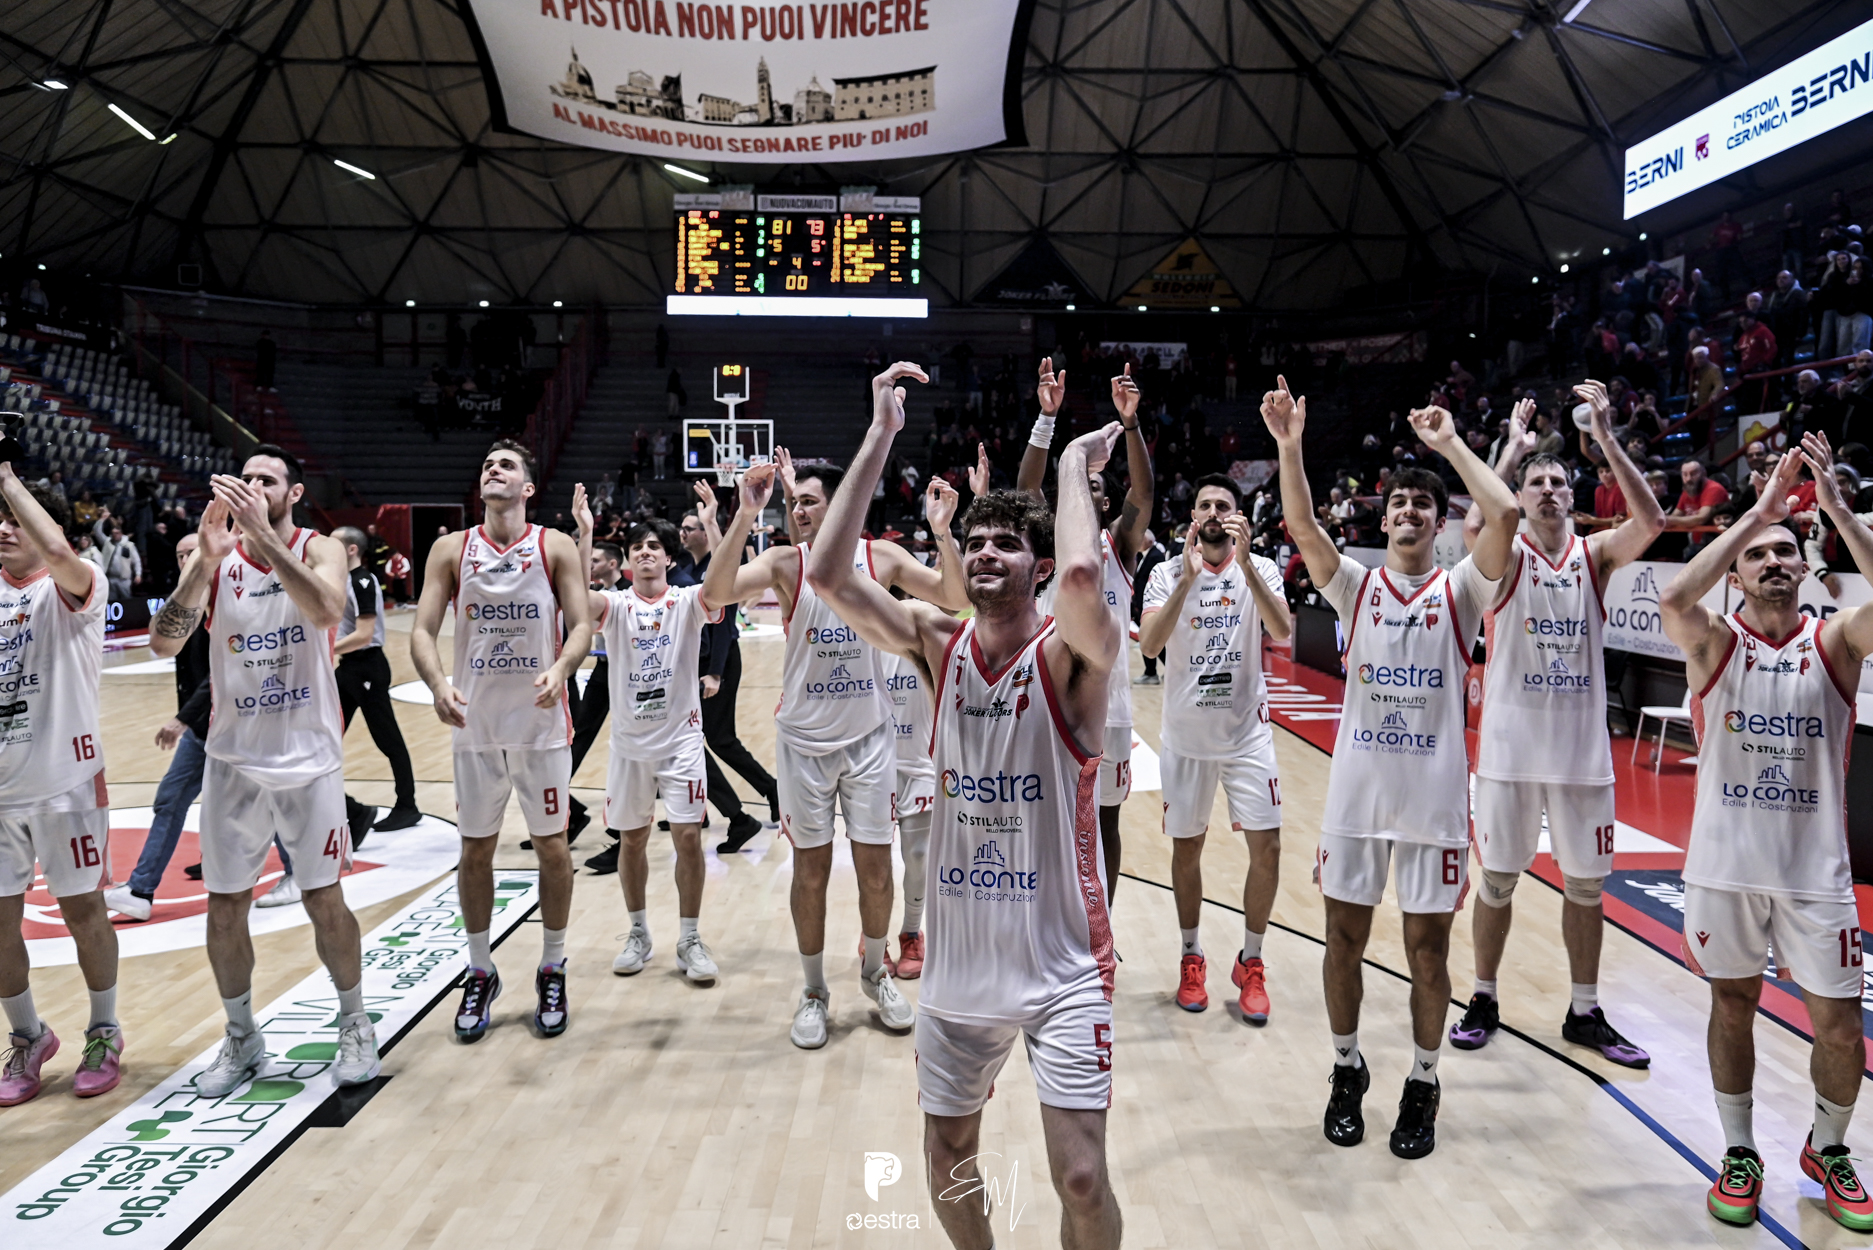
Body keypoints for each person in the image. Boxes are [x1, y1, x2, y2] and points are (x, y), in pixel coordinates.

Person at [808, 361, 1126, 1250]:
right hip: (959, 966)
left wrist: (1068, 470)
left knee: (1080, 1177)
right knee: (948, 1151)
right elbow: (830, 573)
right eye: (975, 540)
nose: (984, 550)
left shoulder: (1075, 658)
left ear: (1029, 565)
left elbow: (1078, 581)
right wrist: (879, 435)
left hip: (1061, 963)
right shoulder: (935, 642)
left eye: (1004, 544)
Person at [1266, 376, 1518, 1160]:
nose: (1408, 512)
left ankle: (1423, 1080)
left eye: (1422, 504)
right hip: (1356, 799)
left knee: (1427, 954)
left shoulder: (1463, 591)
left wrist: (1447, 445)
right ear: (1384, 519)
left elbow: (1505, 514)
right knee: (1340, 941)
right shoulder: (1357, 586)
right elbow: (1303, 525)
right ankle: (1346, 1070)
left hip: (1434, 805)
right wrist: (1288, 445)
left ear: (1439, 523)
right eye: (1398, 504)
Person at [1660, 435, 1873, 1233]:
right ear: (1738, 572)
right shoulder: (1715, 642)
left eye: (1786, 551)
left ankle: (1826, 1147)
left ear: (1804, 566)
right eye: (1758, 555)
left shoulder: (1835, 640)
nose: (1774, 561)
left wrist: (1838, 514)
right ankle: (1740, 1149)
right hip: (1725, 867)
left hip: (1814, 872)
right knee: (1731, 1005)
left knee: (1840, 1025)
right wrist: (1754, 511)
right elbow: (1675, 603)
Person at [700, 438, 969, 1051]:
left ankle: (875, 975)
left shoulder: (882, 556)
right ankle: (815, 990)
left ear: (842, 505)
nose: (800, 510)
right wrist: (745, 514)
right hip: (803, 743)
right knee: (811, 872)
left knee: (878, 874)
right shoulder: (785, 564)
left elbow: (953, 598)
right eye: (794, 503)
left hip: (871, 740)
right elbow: (714, 594)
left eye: (811, 502)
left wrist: (945, 532)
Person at [146, 446, 379, 1096]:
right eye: (244, 479)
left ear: (292, 493)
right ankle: (242, 1035)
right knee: (224, 908)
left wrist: (265, 542)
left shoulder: (319, 546)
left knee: (323, 899)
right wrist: (204, 566)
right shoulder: (211, 556)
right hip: (233, 762)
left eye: (265, 481)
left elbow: (330, 611)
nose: (252, 488)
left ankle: (355, 1022)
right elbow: (163, 640)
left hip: (307, 760)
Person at [1451, 381, 1664, 1067]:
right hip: (1510, 752)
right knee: (1498, 882)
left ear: (1571, 495)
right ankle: (1483, 995)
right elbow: (1481, 519)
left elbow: (1652, 521)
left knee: (1585, 887)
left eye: (1555, 481)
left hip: (1578, 757)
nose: (1544, 490)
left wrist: (1604, 438)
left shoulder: (1593, 555)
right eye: (1534, 482)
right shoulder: (1504, 554)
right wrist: (1510, 449)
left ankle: (1584, 1009)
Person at [409, 441, 593, 1043]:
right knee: (475, 853)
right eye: (487, 463)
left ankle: (553, 963)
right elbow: (421, 629)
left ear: (528, 488)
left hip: (539, 727)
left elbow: (583, 623)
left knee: (553, 849)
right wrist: (437, 683)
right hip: (476, 729)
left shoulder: (553, 545)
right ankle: (481, 968)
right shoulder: (450, 549)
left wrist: (563, 668)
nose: (493, 469)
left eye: (506, 465)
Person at [1137, 474, 1291, 1020]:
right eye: (1203, 503)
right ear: (1192, 515)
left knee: (1268, 848)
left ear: (1239, 516)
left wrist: (1247, 567)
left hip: (1247, 735)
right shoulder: (1162, 572)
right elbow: (1150, 645)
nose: (1212, 512)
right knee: (1187, 850)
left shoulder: (1262, 568)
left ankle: (1251, 961)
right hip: (1186, 738)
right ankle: (1190, 955)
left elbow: (1284, 630)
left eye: (1223, 505)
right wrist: (1185, 579)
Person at [0, 464, 124, 1106]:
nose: (2, 528)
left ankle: (104, 1030)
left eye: (13, 518)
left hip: (67, 784)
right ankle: (28, 1037)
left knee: (83, 912)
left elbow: (56, 549)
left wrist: (7, 477)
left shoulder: (78, 582)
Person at [1017, 357, 1153, 904]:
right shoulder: (1049, 545)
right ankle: (1045, 916)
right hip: (1046, 700)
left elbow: (1141, 497)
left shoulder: (1116, 546)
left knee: (1106, 823)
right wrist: (1046, 421)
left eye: (1100, 487)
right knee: (1041, 818)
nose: (1093, 492)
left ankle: (1102, 922)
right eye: (1085, 485)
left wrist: (1133, 425)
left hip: (1110, 709)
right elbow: (1028, 494)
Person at [588, 516, 724, 986]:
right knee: (632, 840)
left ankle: (689, 937)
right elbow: (575, 603)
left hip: (681, 740)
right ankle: (639, 932)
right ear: (626, 560)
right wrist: (585, 532)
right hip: (629, 746)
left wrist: (717, 524)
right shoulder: (614, 604)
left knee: (688, 837)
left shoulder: (687, 601)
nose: (645, 552)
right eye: (636, 547)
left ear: (670, 556)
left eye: (654, 546)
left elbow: (723, 584)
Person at [104, 533, 211, 922]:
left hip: (235, 727)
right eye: (180, 555)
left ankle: (301, 872)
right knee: (170, 799)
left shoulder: (227, 601)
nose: (185, 560)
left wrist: (182, 718)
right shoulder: (184, 603)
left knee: (268, 802)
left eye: (192, 553)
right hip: (202, 731)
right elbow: (158, 642)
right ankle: (140, 890)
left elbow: (223, 675)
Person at [330, 528, 420, 831]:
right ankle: (331, 804)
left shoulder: (363, 581)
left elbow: (364, 635)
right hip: (349, 668)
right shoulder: (341, 580)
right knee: (323, 735)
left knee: (388, 739)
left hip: (367, 666)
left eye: (333, 543)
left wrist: (322, 649)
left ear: (352, 549)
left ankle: (407, 806)